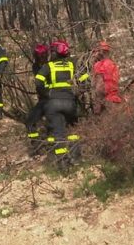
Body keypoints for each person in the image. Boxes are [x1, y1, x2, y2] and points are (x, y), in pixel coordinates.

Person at [34, 40, 89, 169]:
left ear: (54, 53)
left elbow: (38, 82)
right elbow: (85, 80)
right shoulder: (72, 64)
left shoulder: (48, 66)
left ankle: (63, 163)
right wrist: (78, 92)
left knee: (58, 134)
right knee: (73, 132)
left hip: (53, 104)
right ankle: (76, 159)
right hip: (70, 103)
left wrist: (46, 94)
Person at [25, 43, 49, 153]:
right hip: (43, 99)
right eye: (40, 56)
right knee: (30, 120)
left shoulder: (50, 66)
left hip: (49, 99)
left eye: (42, 56)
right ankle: (35, 144)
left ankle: (46, 145)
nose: (41, 58)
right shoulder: (35, 67)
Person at [92, 41, 122, 115]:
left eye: (95, 52)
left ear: (101, 52)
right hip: (114, 99)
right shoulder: (113, 64)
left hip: (105, 101)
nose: (94, 55)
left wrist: (98, 103)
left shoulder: (98, 65)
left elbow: (99, 87)